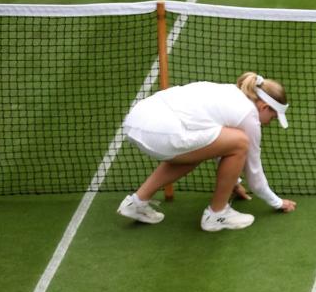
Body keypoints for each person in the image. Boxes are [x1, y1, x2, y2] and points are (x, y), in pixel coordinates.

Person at [117, 72, 297, 232]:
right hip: (162, 131)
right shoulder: (249, 116)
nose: (268, 123)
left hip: (138, 120)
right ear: (264, 107)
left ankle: (136, 203)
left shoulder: (232, 93)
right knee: (241, 142)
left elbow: (215, 144)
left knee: (197, 149)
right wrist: (277, 202)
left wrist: (233, 182)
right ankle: (217, 215)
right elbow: (254, 172)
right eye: (272, 118)